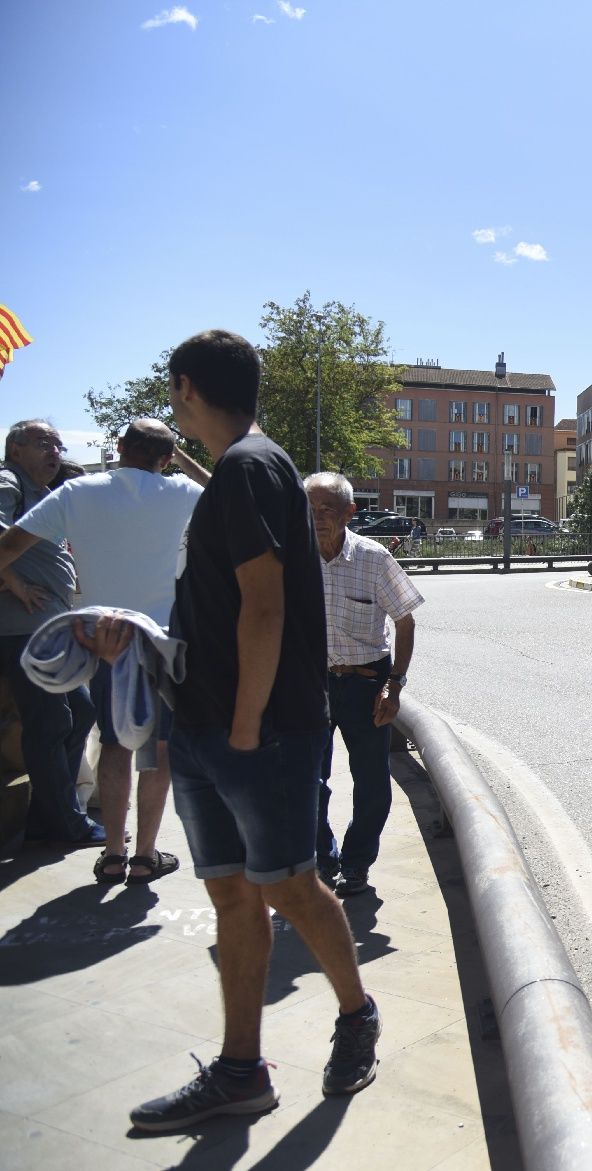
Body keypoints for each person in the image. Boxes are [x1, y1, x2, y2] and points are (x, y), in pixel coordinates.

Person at [127, 329, 380, 1133]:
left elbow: (265, 605)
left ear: (185, 387)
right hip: (210, 724)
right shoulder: (246, 467)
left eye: (174, 391)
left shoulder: (246, 467)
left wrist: (242, 727)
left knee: (290, 887)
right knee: (235, 892)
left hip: (254, 732)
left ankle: (357, 1013)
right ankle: (241, 1071)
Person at [0, 418, 206, 882]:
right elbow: (229, 496)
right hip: (161, 637)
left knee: (115, 746)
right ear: (167, 459)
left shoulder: (75, 493)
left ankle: (114, 854)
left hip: (102, 635)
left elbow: (7, 547)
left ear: (118, 447)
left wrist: (11, 580)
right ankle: (145, 857)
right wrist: (185, 459)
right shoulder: (182, 493)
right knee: (157, 748)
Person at [305, 472, 422, 897]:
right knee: (307, 781)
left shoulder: (373, 559)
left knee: (372, 782)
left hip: (367, 683)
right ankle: (322, 858)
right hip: (310, 684)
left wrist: (395, 685)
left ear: (349, 513)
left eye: (326, 510)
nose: (317, 519)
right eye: (309, 509)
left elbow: (405, 620)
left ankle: (356, 863)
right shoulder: (291, 559)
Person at [0, 419, 103, 847]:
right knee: (51, 722)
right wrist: (17, 582)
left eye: (59, 445)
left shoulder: (39, 491)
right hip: (20, 631)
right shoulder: (7, 479)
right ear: (16, 448)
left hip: (46, 630)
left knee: (79, 713)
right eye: (44, 443)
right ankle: (64, 826)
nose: (55, 452)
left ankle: (48, 817)